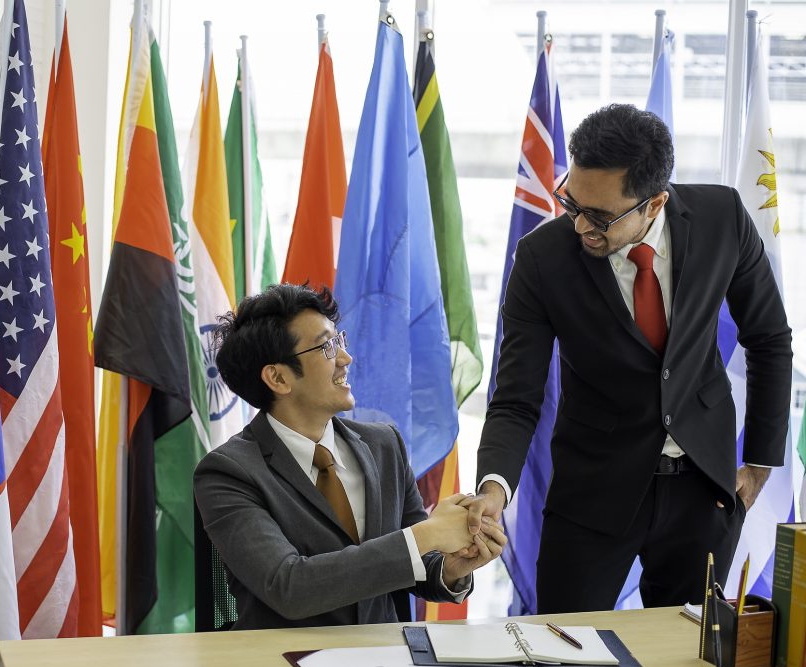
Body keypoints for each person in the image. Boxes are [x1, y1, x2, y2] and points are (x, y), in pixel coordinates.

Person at [470, 104, 792, 613]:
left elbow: (770, 338)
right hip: (591, 493)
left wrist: (759, 462)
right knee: (565, 652)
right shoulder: (541, 260)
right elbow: (515, 398)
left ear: (654, 202)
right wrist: (493, 487)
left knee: (686, 657)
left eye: (599, 217)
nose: (579, 226)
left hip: (703, 489)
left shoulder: (722, 219)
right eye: (571, 203)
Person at [194, 284, 505, 629]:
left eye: (339, 340)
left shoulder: (384, 444)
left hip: (386, 662)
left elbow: (418, 565)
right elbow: (289, 587)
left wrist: (452, 567)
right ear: (278, 378)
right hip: (285, 665)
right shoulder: (228, 472)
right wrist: (428, 534)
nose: (345, 358)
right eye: (326, 347)